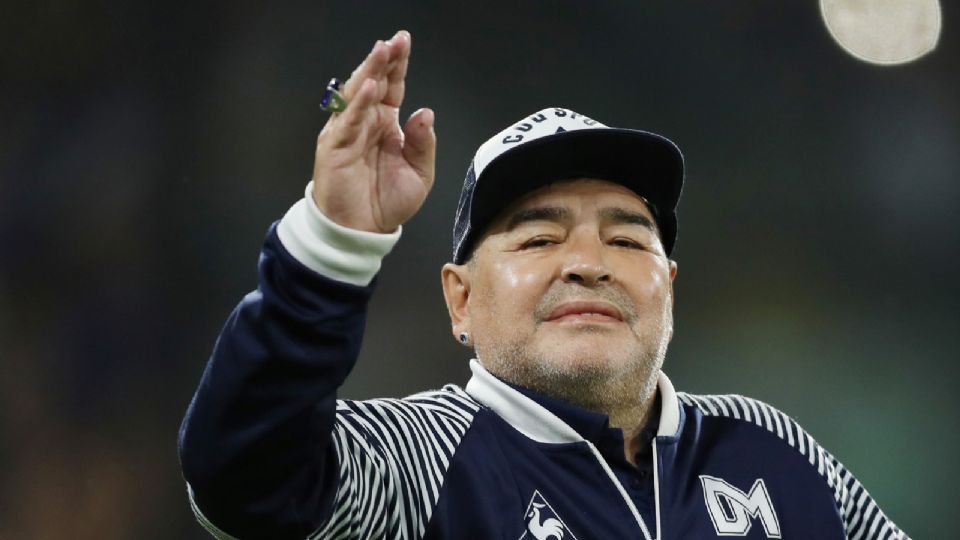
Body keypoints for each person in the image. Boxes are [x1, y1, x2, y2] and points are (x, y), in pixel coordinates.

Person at [178, 30, 907, 540]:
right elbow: (245, 478)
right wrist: (331, 247)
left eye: (625, 238)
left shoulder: (769, 452)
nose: (589, 262)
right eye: (539, 238)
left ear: (669, 289)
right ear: (459, 300)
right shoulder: (421, 461)